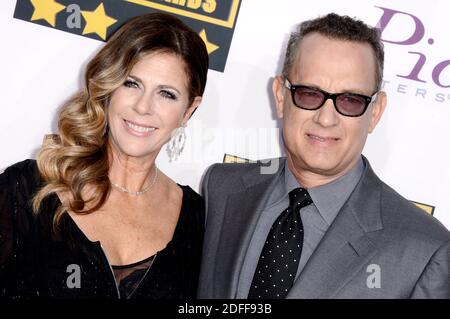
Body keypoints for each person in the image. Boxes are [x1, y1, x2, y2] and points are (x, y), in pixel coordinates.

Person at [198, 13, 450, 299]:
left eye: (350, 100)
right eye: (310, 94)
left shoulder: (424, 251)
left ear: (375, 112)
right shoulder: (223, 188)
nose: (326, 118)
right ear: (281, 96)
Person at [0, 12, 208, 299]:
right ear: (108, 87)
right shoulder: (26, 189)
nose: (143, 107)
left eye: (166, 94)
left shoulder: (198, 219)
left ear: (189, 110)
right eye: (131, 83)